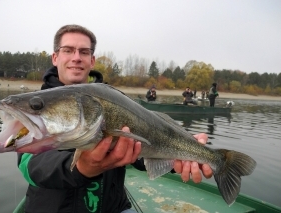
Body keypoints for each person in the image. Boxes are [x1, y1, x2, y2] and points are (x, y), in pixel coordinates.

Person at [17, 24, 213, 213]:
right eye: (68, 50)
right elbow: (31, 166)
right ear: (55, 57)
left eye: (84, 52)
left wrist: (182, 153)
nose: (76, 58)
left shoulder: (117, 100)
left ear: (92, 60)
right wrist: (82, 168)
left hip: (114, 208)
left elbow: (141, 150)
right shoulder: (34, 108)